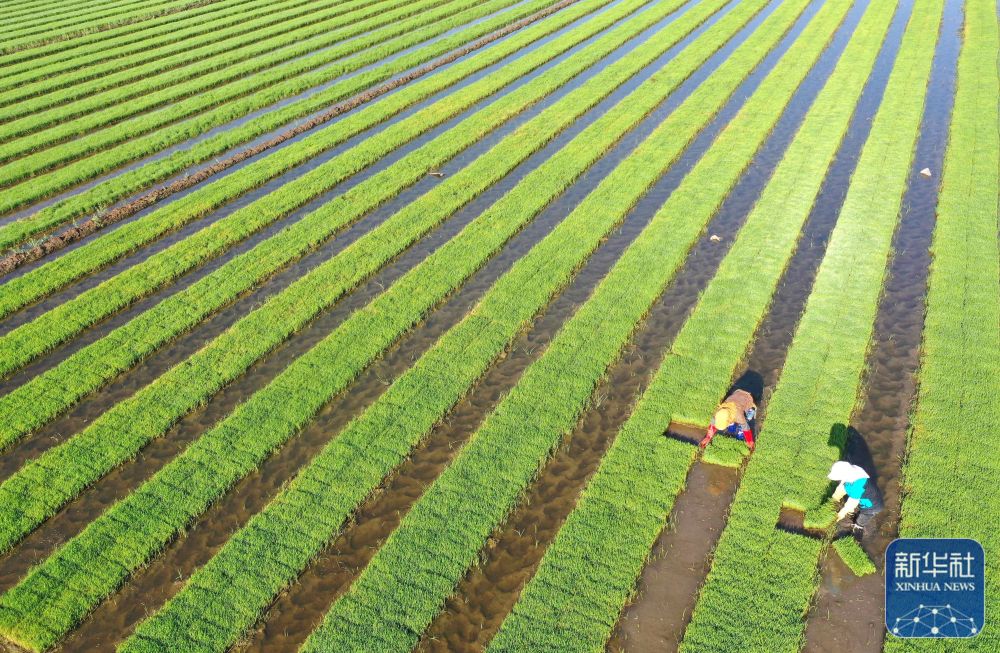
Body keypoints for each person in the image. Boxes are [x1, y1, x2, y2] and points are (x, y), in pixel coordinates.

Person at [828, 461, 883, 534]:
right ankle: (854, 513)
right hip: (863, 498)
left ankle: (858, 528)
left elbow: (852, 502)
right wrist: (835, 498)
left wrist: (842, 513)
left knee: (862, 518)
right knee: (855, 507)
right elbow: (842, 487)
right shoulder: (851, 473)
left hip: (872, 506)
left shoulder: (858, 484)